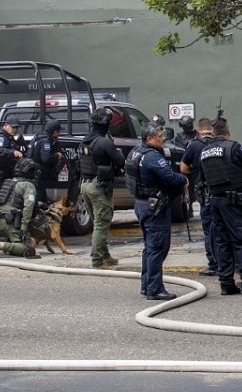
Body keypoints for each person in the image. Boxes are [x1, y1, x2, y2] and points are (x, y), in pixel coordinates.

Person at [197, 117, 242, 296]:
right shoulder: (233, 147)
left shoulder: (204, 151)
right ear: (227, 132)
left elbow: (203, 179)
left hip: (214, 201)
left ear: (213, 133)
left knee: (222, 242)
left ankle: (226, 283)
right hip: (234, 201)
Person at [126, 121, 188, 300]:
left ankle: (147, 285)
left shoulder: (135, 152)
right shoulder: (152, 157)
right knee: (158, 247)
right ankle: (154, 288)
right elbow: (169, 177)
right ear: (150, 138)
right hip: (154, 207)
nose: (163, 139)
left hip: (142, 204)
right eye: (160, 137)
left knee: (150, 247)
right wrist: (182, 179)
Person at [81, 107, 124, 269]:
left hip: (85, 185)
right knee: (101, 225)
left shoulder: (86, 140)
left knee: (98, 223)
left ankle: (105, 255)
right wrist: (117, 151)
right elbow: (120, 161)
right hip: (99, 187)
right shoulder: (104, 142)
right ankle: (97, 260)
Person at [180, 117, 219, 276]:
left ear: (198, 130)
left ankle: (213, 264)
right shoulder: (220, 143)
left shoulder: (194, 146)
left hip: (204, 193)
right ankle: (224, 262)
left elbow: (183, 168)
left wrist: (195, 172)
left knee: (209, 230)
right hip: (221, 192)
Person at [0, 158, 42, 259]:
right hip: (11, 222)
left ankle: (9, 246)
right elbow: (28, 207)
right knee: (28, 249)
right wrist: (24, 227)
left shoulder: (8, 182)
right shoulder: (28, 185)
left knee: (22, 244)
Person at [31, 119, 65, 204]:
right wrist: (57, 155)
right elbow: (46, 159)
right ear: (55, 132)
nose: (59, 134)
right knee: (41, 202)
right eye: (58, 132)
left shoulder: (39, 138)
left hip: (36, 175)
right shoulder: (45, 141)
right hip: (39, 176)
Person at [0, 117, 25, 184]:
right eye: (13, 127)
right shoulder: (1, 137)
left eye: (17, 128)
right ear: (6, 125)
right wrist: (13, 152)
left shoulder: (9, 137)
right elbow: (0, 150)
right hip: (1, 170)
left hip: (9, 169)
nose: (15, 130)